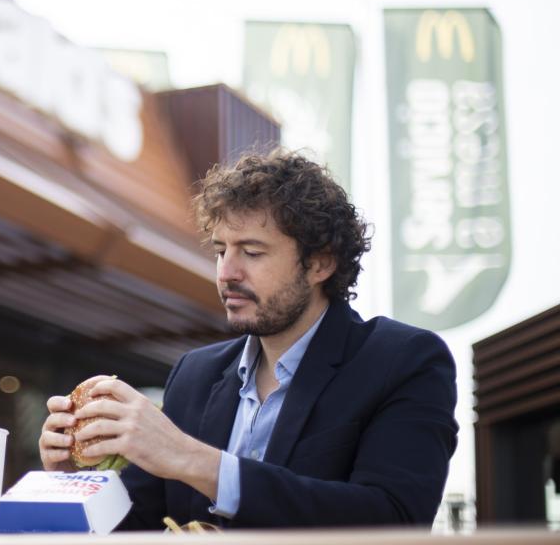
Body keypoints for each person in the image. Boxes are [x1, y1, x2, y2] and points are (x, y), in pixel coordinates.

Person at [38, 150, 458, 528]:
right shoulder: (195, 374)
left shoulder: (403, 360)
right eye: (221, 250)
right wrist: (74, 485)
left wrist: (195, 461)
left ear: (320, 263)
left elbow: (393, 519)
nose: (227, 273)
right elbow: (140, 526)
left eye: (252, 252)